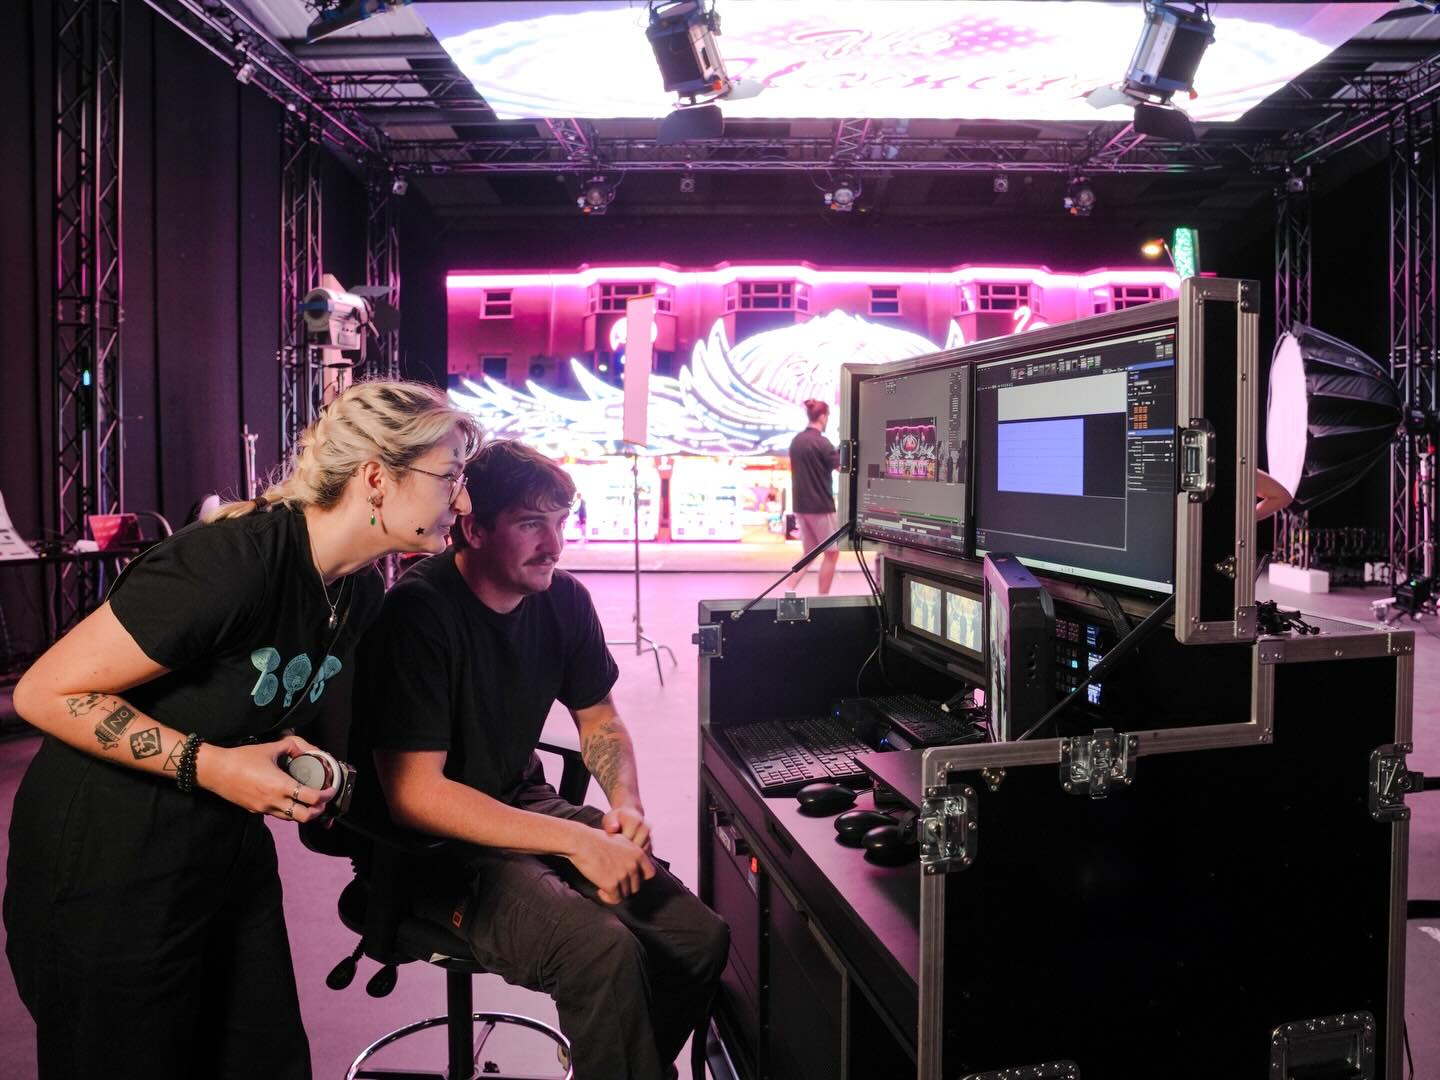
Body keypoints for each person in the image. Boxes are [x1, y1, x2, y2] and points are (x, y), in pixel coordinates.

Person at [4, 381, 483, 1079]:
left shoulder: (357, 591)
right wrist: (215, 766)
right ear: (378, 477)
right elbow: (45, 692)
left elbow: (327, 742)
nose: (462, 501)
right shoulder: (235, 560)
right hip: (106, 868)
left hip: (221, 860)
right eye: (451, 477)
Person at [354, 439, 728, 1080]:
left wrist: (626, 805)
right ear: (472, 528)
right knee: (598, 950)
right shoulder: (419, 615)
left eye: (561, 522)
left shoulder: (562, 599)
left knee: (700, 938)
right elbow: (415, 795)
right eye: (532, 524)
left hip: (517, 804)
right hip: (429, 847)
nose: (554, 544)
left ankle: (613, 1061)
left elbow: (599, 717)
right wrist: (578, 844)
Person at [787, 398, 842, 594]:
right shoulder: (822, 443)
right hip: (820, 506)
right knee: (832, 553)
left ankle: (788, 590)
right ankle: (823, 599)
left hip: (801, 506)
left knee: (808, 554)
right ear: (823, 417)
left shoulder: (797, 441)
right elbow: (841, 467)